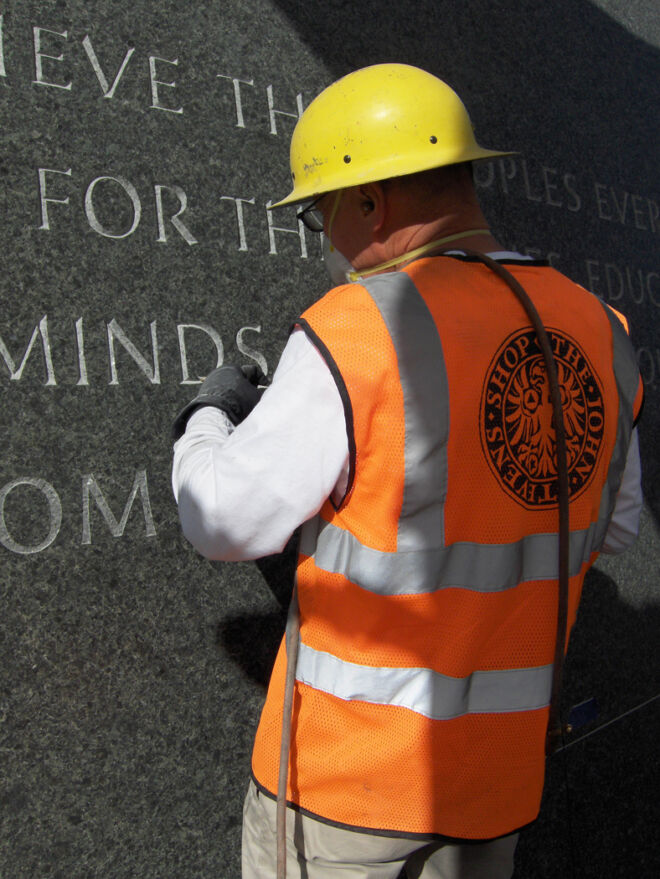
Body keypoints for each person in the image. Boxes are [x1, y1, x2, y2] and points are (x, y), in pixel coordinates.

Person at [172, 64, 643, 879]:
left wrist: (204, 418)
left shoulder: (364, 324)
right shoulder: (602, 330)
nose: (327, 235)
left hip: (348, 790)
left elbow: (221, 518)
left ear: (370, 201)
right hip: (496, 785)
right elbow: (617, 523)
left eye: (322, 208)